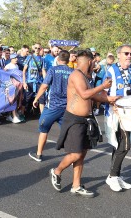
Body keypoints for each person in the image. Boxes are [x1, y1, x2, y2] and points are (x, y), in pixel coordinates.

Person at [49, 50, 118, 197]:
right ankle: (57, 171)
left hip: (86, 119)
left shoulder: (87, 77)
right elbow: (84, 94)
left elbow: (94, 96)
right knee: (75, 154)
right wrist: (103, 86)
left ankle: (76, 185)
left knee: (82, 154)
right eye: (93, 61)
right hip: (74, 119)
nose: (95, 63)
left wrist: (110, 99)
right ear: (88, 61)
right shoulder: (76, 75)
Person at [104, 44, 131, 192]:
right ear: (119, 55)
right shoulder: (110, 70)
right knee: (123, 144)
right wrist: (111, 101)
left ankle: (115, 175)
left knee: (122, 144)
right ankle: (112, 176)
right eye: (126, 53)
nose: (129, 56)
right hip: (115, 113)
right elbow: (103, 91)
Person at [29, 50, 73, 162]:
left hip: (52, 106)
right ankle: (72, 158)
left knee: (43, 130)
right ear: (68, 60)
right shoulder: (72, 72)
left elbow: (44, 86)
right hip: (66, 107)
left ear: (57, 59)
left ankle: (39, 154)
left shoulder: (53, 70)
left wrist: (36, 98)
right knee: (67, 133)